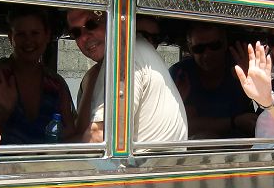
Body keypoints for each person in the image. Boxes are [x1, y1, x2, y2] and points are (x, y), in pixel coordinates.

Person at [68, 9, 188, 144]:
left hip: (145, 163)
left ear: (114, 21)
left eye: (92, 24)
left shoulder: (123, 54)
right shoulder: (130, 53)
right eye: (76, 33)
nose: (84, 37)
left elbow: (99, 137)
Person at [0, 7, 77, 144]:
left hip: (46, 163)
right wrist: (3, 110)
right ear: (11, 38)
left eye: (35, 33)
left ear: (46, 36)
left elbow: (70, 132)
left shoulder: (56, 83)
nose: (28, 41)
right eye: (21, 34)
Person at [170, 23, 256, 138]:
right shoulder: (181, 75)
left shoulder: (241, 68)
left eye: (214, 46)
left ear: (225, 44)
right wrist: (235, 122)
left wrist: (254, 82)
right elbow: (185, 126)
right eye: (199, 49)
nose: (207, 54)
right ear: (190, 49)